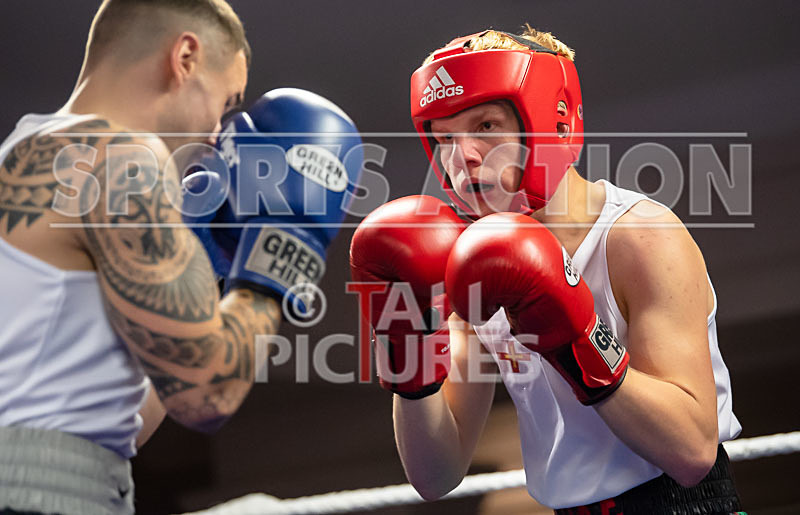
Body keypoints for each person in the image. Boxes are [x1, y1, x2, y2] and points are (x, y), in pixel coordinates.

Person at [350, 27, 744, 514]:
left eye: (486, 126)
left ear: (553, 124)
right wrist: (406, 342)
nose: (462, 155)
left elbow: (692, 453)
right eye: (445, 136)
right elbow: (436, 474)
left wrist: (577, 340)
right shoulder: (471, 266)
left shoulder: (639, 236)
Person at [0, 1, 362, 513]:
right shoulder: (120, 157)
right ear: (185, 58)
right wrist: (282, 245)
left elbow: (127, 417)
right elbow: (208, 393)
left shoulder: (29, 147)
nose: (218, 130)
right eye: (226, 100)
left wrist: (212, 267)